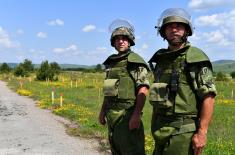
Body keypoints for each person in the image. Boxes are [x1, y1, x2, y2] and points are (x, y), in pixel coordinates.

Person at [148, 8, 217, 155]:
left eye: (178, 26)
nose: (174, 30)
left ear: (186, 30)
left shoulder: (194, 57)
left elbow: (208, 97)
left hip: (183, 132)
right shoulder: (161, 60)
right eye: (169, 26)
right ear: (163, 32)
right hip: (160, 129)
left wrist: (202, 133)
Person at [99, 19, 150, 155]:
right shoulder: (111, 63)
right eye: (117, 39)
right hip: (112, 115)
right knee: (116, 149)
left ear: (130, 41)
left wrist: (136, 115)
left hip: (127, 115)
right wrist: (103, 111)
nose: (120, 41)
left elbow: (143, 89)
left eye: (124, 39)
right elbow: (108, 91)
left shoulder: (134, 61)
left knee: (132, 150)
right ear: (113, 42)